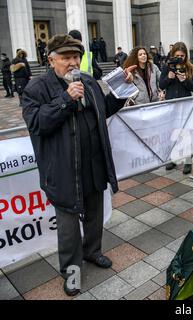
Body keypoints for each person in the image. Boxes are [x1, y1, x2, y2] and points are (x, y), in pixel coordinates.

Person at [21, 34, 136, 296]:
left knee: (96, 213)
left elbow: (104, 108)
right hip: (63, 172)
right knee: (69, 227)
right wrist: (65, 100)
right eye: (66, 58)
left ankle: (93, 252)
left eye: (76, 57)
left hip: (93, 164)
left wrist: (122, 89)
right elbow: (37, 124)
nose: (73, 63)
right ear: (51, 60)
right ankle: (71, 271)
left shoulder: (87, 80)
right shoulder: (35, 89)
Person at [160, 42, 193, 174]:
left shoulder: (191, 67)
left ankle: (188, 160)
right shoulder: (168, 66)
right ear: (172, 54)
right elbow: (161, 85)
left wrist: (185, 80)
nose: (180, 58)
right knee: (173, 132)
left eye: (182, 55)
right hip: (171, 104)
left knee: (186, 132)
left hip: (186, 103)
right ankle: (173, 158)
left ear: (186, 55)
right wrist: (169, 78)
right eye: (177, 55)